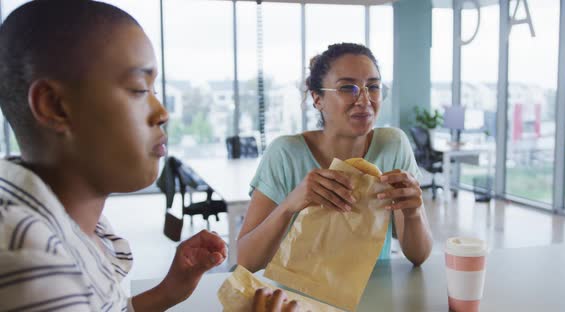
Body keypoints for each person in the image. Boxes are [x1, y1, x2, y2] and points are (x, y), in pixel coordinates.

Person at [0, 1, 296, 311]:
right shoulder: (30, 264)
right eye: (140, 89)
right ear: (56, 106)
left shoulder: (80, 222)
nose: (162, 112)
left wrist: (167, 291)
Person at [237, 43, 433, 272]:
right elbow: (246, 261)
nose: (364, 100)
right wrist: (290, 205)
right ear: (317, 99)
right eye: (348, 88)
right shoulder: (285, 154)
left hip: (373, 295)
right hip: (298, 300)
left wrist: (413, 212)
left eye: (373, 87)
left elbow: (418, 256)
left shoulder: (393, 146)